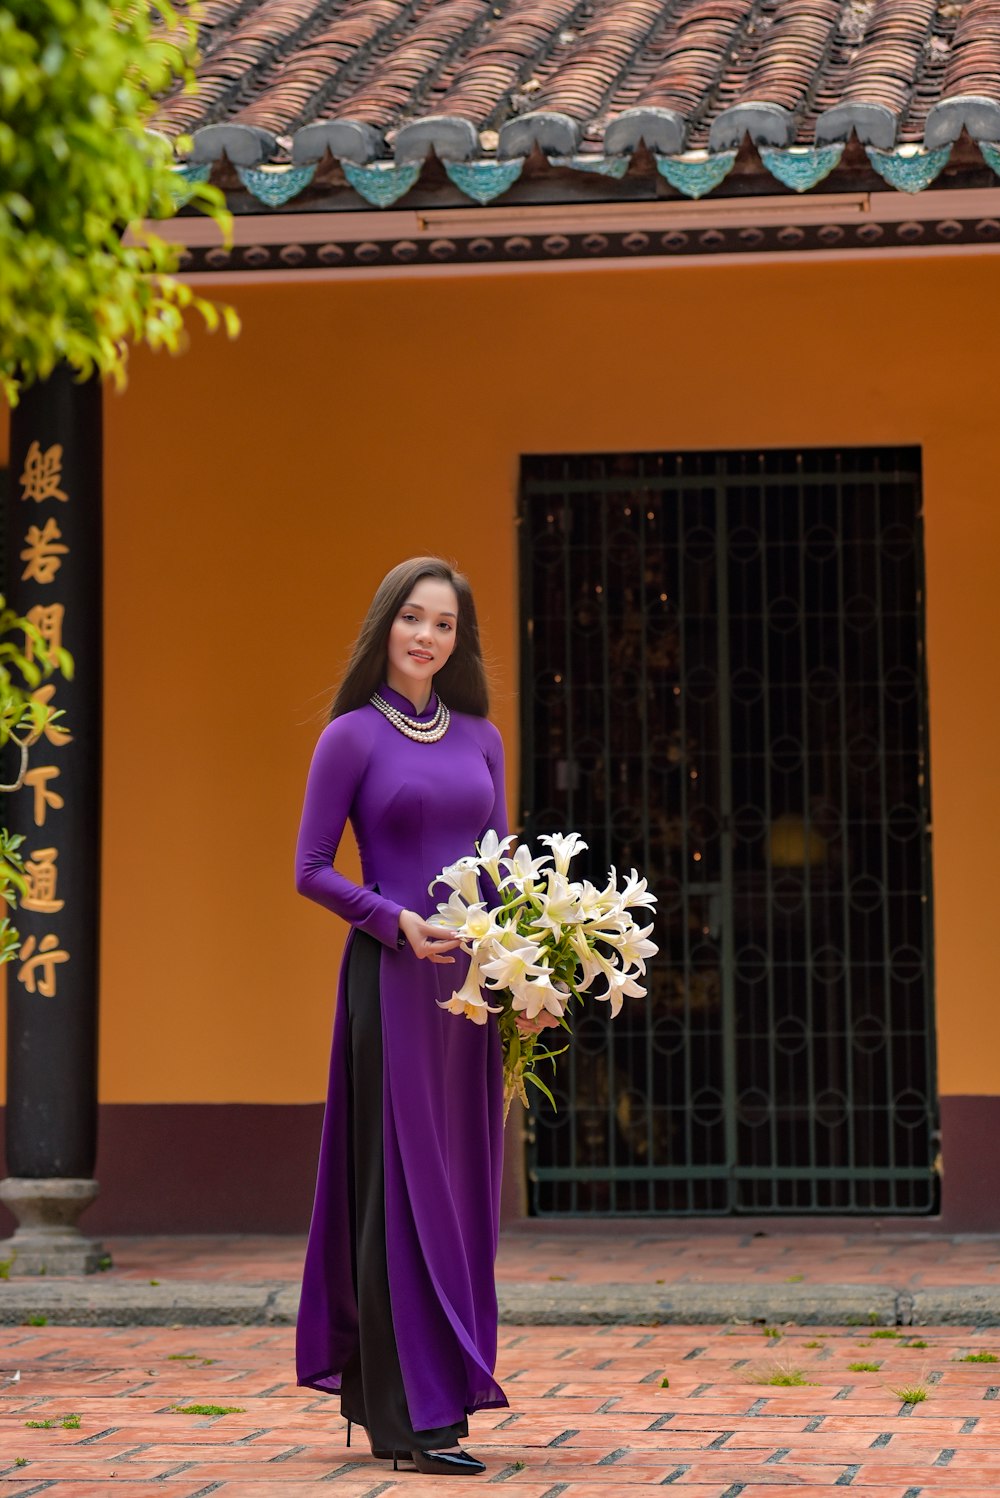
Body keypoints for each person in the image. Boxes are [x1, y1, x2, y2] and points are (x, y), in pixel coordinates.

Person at [294, 556, 509, 1477]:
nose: (427, 637)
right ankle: (407, 1413)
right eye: (412, 619)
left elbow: (505, 865)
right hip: (392, 979)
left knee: (462, 1187)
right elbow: (310, 867)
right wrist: (392, 919)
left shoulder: (483, 737)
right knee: (404, 1185)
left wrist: (526, 976)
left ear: (459, 641)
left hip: (472, 995)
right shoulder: (350, 737)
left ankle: (441, 1397)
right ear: (386, 626)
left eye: (445, 624)